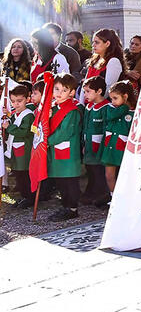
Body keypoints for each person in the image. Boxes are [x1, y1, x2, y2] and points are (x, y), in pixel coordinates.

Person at [46, 72, 83, 221]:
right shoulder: (53, 107)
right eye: (56, 89)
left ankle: (72, 208)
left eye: (64, 90)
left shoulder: (72, 110)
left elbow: (65, 132)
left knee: (69, 181)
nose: (59, 93)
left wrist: (47, 141)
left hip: (68, 152)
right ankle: (65, 206)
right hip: (57, 151)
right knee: (60, 180)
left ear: (72, 93)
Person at [101, 80, 135, 197]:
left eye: (115, 98)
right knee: (109, 176)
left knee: (125, 176)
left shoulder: (133, 114)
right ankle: (113, 197)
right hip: (110, 151)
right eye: (111, 99)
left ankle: (126, 199)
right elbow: (111, 116)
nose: (112, 102)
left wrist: (126, 108)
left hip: (123, 151)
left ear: (125, 96)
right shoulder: (110, 109)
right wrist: (124, 107)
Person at [3, 84, 35, 208]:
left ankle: (29, 197)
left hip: (24, 151)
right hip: (16, 151)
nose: (16, 104)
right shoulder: (16, 114)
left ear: (27, 100)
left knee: (25, 176)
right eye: (13, 101)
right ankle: (24, 197)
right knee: (18, 176)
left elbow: (23, 132)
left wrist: (9, 127)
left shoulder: (28, 115)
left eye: (19, 101)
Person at [81, 75, 111, 206]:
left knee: (99, 171)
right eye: (84, 92)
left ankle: (102, 194)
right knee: (90, 170)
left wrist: (104, 146)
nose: (85, 95)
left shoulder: (106, 107)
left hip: (99, 147)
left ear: (99, 91)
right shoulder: (88, 107)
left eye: (88, 91)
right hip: (88, 145)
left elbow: (106, 128)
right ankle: (91, 192)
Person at [82, 29, 125, 101]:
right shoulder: (94, 60)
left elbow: (108, 89)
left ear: (107, 44)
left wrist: (96, 104)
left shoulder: (113, 61)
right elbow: (85, 85)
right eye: (93, 42)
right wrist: (82, 103)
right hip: (89, 104)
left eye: (97, 42)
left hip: (102, 106)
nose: (93, 45)